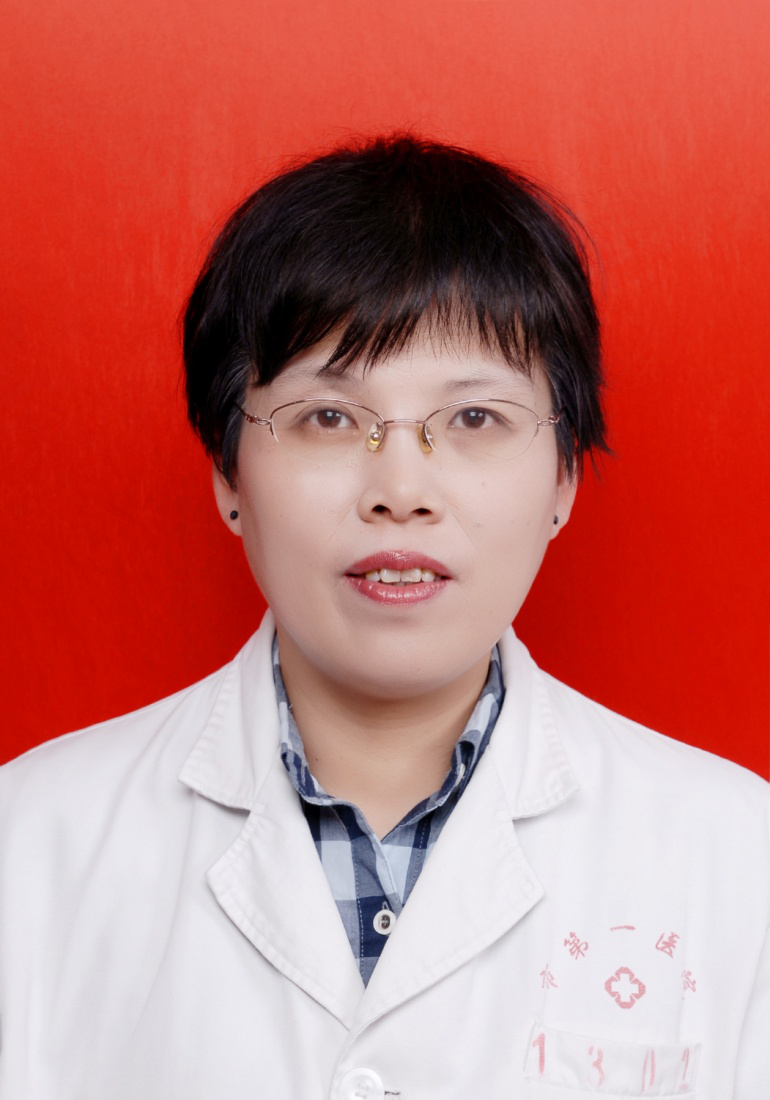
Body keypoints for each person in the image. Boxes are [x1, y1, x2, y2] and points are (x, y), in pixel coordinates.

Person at [0, 135, 767, 1100]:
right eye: (328, 418)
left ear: (565, 478)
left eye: (475, 419)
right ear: (230, 473)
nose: (401, 490)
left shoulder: (737, 855)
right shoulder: (29, 844)